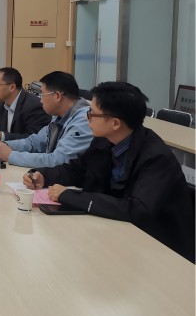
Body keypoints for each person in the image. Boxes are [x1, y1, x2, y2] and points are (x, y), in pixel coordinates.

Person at [23, 81, 195, 262]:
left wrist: (70, 196)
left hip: (160, 250)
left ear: (115, 123)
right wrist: (44, 175)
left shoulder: (157, 158)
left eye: (92, 113)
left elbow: (138, 210)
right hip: (115, 233)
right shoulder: (105, 139)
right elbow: (78, 170)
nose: (87, 118)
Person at [0, 71, 92, 168]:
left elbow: (57, 160)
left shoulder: (83, 120)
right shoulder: (58, 118)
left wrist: (10, 155)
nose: (41, 100)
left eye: (42, 95)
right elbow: (33, 142)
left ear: (57, 96)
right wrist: (4, 145)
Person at [0, 67, 50, 144]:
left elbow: (33, 140)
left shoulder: (33, 106)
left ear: (12, 87)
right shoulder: (3, 103)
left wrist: (2, 136)